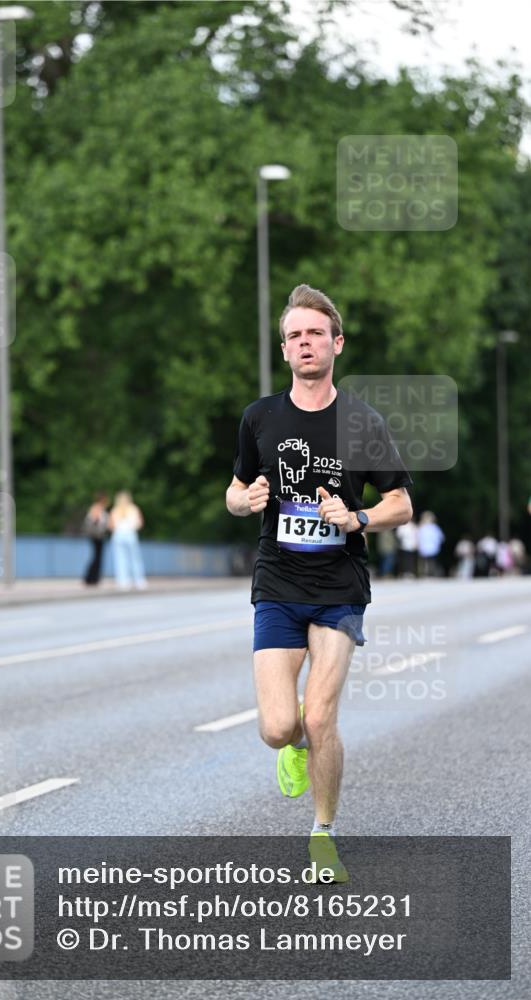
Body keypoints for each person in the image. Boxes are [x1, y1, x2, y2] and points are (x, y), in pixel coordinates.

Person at [226, 284, 413, 882]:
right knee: (279, 727)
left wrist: (357, 518)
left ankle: (323, 835)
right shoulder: (259, 417)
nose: (304, 343)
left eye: (314, 333)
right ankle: (294, 741)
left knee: (322, 717)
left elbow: (401, 504)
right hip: (278, 582)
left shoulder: (363, 422)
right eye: (294, 336)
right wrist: (246, 499)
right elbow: (235, 491)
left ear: (337, 343)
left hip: (339, 587)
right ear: (284, 350)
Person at [109, 491, 147, 590]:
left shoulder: (115, 510)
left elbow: (111, 525)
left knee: (120, 559)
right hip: (130, 534)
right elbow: (140, 523)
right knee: (135, 558)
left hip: (118, 535)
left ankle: (123, 581)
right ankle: (139, 581)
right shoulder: (134, 509)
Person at [82, 493, 110, 586]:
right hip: (97, 536)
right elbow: (95, 520)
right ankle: (91, 578)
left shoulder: (96, 507)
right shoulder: (97, 508)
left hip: (97, 536)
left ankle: (93, 578)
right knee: (97, 557)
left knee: (97, 557)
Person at [417, 511, 445, 577]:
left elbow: (440, 537)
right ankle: (425, 573)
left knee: (431, 561)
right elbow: (418, 537)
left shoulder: (434, 527)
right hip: (424, 547)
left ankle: (430, 572)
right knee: (424, 561)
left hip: (432, 547)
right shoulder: (422, 527)